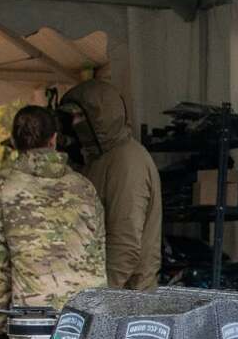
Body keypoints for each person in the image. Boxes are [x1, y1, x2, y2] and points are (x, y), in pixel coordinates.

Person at [0, 105, 109, 313]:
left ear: (13, 142)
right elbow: (100, 247)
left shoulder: (0, 187)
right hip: (89, 313)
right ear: (54, 139)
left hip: (35, 314)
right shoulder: (84, 186)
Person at [63, 78, 163, 291]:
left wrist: (100, 297)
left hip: (128, 299)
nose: (74, 124)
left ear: (100, 116)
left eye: (80, 116)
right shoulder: (99, 159)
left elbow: (124, 242)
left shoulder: (127, 162)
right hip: (114, 294)